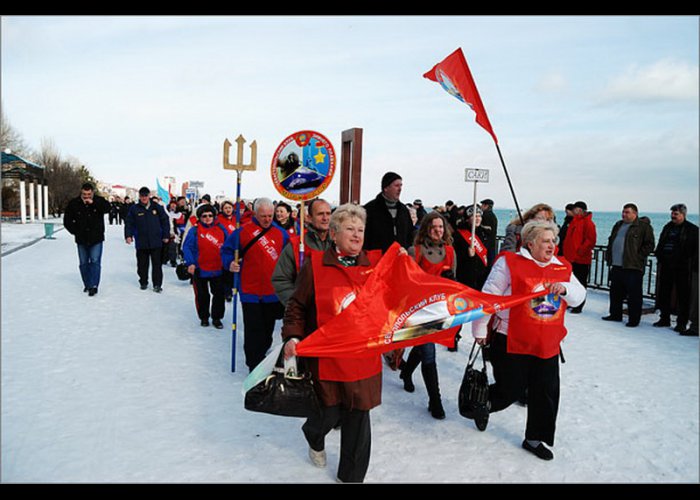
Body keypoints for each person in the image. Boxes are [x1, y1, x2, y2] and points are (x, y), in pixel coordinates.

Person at [282, 203, 384, 483]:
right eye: (350, 229)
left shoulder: (375, 266)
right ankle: (314, 434)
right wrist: (293, 336)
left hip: (362, 357)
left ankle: (351, 478)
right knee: (328, 412)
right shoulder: (315, 265)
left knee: (358, 417)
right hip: (327, 358)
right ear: (335, 234)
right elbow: (297, 305)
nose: (356, 235)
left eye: (361, 230)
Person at [469, 220, 586, 460]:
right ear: (530, 243)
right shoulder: (509, 263)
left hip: (547, 344)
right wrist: (480, 329)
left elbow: (579, 296)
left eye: (553, 240)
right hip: (511, 339)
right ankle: (484, 404)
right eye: (545, 241)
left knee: (546, 393)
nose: (551, 245)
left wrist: (564, 288)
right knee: (510, 390)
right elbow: (488, 296)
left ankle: (535, 438)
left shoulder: (562, 267)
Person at [221, 198, 289, 371]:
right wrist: (230, 263)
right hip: (249, 290)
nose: (267, 219)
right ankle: (254, 364)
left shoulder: (281, 234)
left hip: (272, 291)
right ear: (255, 214)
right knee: (253, 330)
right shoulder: (242, 232)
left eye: (270, 215)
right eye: (263, 216)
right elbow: (226, 251)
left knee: (267, 331)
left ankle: (262, 353)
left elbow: (290, 258)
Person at [401, 212, 457, 419]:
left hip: (439, 310)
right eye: (434, 227)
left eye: (441, 227)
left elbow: (454, 283)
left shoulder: (450, 251)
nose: (438, 230)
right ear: (426, 228)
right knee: (428, 351)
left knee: (424, 345)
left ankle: (406, 372)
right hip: (420, 310)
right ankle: (435, 401)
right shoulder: (414, 251)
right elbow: (406, 282)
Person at [271, 198, 333, 307]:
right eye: (320, 214)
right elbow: (280, 279)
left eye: (328, 213)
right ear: (309, 218)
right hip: (306, 313)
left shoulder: (340, 243)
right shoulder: (297, 245)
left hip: (333, 310)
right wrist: (297, 305)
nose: (325, 218)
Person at [602, 203, 655, 327]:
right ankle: (615, 314)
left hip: (633, 266)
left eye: (627, 212)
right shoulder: (618, 225)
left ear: (635, 213)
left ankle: (634, 319)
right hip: (617, 265)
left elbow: (649, 245)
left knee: (634, 295)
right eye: (623, 212)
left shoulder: (643, 227)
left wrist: (638, 256)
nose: (624, 214)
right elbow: (612, 241)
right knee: (615, 292)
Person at [653, 203, 699, 333]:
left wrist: (689, 262)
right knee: (664, 293)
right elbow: (661, 243)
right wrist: (659, 255)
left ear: (683, 215)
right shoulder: (667, 227)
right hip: (667, 265)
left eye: (676, 214)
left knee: (683, 296)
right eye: (672, 213)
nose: (673, 216)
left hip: (683, 267)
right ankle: (664, 318)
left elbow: (695, 249)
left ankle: (681, 322)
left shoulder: (692, 230)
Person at [182, 204, 230, 328]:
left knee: (219, 295)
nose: (208, 218)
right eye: (204, 216)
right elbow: (187, 247)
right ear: (200, 217)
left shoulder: (221, 228)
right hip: (200, 268)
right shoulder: (195, 230)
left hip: (218, 268)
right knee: (203, 295)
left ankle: (217, 317)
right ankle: (204, 317)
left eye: (210, 215)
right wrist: (190, 262)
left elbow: (229, 244)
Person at [63, 182, 111, 296]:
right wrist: (75, 231)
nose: (86, 196)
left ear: (92, 193)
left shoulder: (99, 200)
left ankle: (94, 285)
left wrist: (94, 203)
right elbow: (67, 221)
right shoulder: (74, 203)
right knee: (83, 263)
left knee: (95, 261)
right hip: (81, 239)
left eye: (89, 194)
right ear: (81, 192)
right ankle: (87, 284)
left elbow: (108, 208)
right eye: (84, 194)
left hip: (96, 238)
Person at [124, 187, 171, 292]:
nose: (144, 198)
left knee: (157, 265)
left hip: (156, 241)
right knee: (142, 265)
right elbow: (129, 223)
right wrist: (128, 235)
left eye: (146, 195)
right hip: (141, 242)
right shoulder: (134, 209)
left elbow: (165, 221)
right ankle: (143, 281)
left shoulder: (157, 207)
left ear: (149, 195)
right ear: (139, 196)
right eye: (142, 196)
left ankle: (157, 284)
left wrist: (166, 235)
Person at [363, 171, 414, 253]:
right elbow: (364, 237)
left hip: (400, 258)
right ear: (386, 188)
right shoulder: (370, 210)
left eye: (401, 186)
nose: (400, 189)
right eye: (396, 186)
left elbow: (410, 234)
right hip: (378, 260)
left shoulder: (404, 210)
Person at [562, 201, 597, 313]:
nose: (574, 211)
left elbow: (590, 240)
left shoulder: (588, 223)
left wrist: (579, 252)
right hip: (571, 257)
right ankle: (572, 302)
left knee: (581, 283)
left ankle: (579, 305)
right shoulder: (575, 221)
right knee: (572, 282)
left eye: (576, 209)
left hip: (580, 259)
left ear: (580, 210)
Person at [453, 205, 492, 291]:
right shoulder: (459, 235)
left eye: (479, 216)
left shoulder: (485, 234)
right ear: (467, 219)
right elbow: (455, 256)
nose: (477, 219)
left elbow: (488, 254)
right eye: (474, 216)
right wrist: (467, 255)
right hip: (465, 275)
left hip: (481, 277)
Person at [216, 200, 238, 302]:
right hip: (224, 248)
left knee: (234, 270)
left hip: (236, 248)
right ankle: (227, 292)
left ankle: (234, 288)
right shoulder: (218, 220)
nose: (228, 210)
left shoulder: (237, 219)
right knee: (226, 270)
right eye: (226, 208)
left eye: (229, 208)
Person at [479, 198, 498, 264]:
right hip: (492, 242)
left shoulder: (486, 215)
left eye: (482, 205)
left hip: (486, 243)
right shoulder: (493, 216)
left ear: (486, 206)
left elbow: (487, 229)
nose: (481, 206)